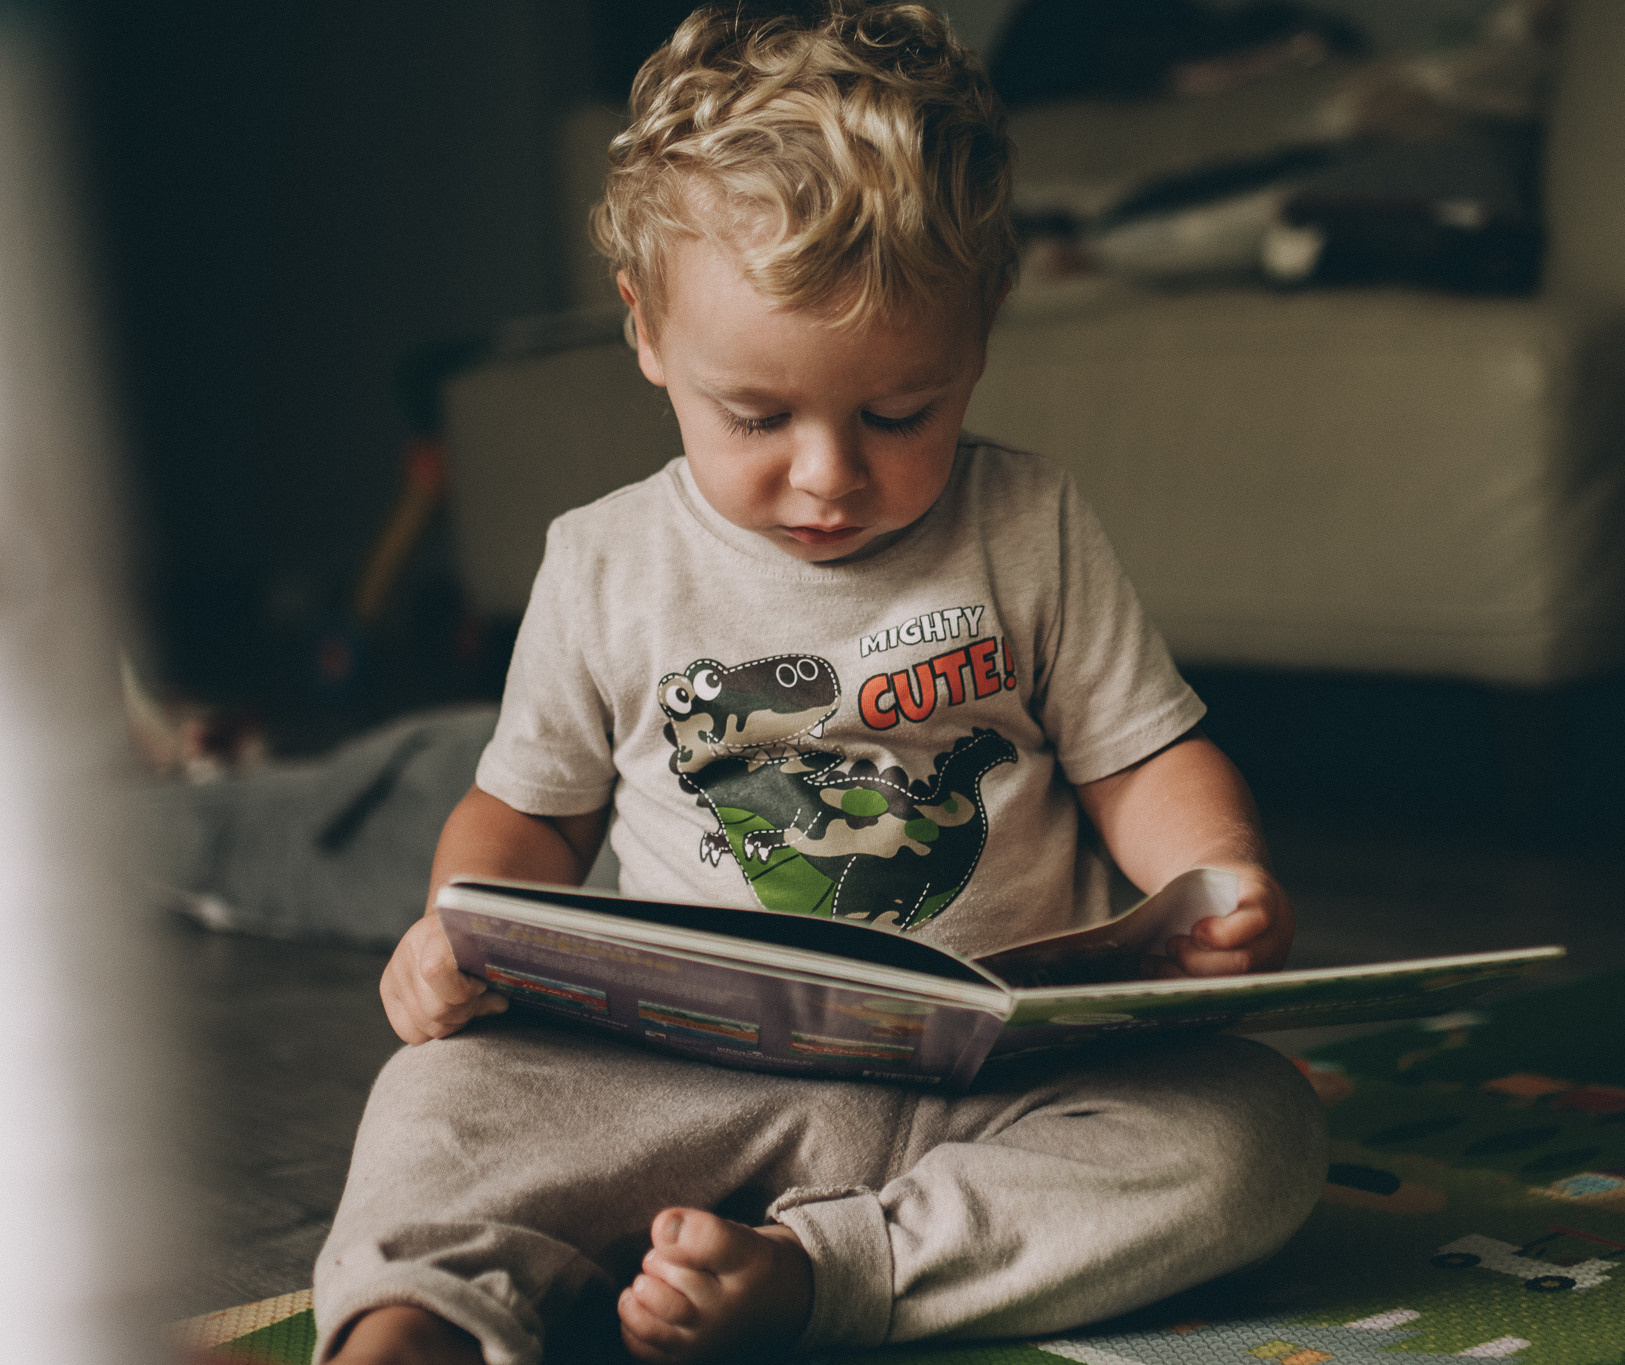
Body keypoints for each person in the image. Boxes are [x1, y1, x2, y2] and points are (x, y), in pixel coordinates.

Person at [315, 4, 1326, 1362]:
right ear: (648, 333)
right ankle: (416, 1317)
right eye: (759, 416)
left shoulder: (1031, 523)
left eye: (900, 413)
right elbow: (530, 819)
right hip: (674, 1078)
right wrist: (460, 937)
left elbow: (1140, 760)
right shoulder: (603, 562)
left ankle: (821, 1270)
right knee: (441, 1102)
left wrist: (1211, 882)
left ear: (979, 332)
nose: (828, 476)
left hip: (1003, 1083)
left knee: (1250, 1135)